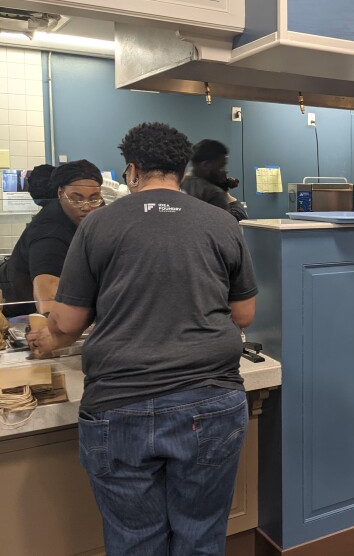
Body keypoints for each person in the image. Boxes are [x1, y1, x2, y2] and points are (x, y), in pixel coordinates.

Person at [30, 122, 258, 555]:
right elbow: (243, 313)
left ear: (132, 171)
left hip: (121, 406)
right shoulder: (222, 222)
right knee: (202, 534)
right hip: (210, 403)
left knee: (136, 540)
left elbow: (71, 322)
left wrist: (52, 319)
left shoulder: (98, 225)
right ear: (180, 169)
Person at [0, 160, 103, 317]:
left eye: (94, 198)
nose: (87, 206)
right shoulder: (49, 229)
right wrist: (54, 328)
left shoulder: (99, 212)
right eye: (76, 198)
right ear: (60, 193)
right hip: (20, 306)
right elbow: (47, 287)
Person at [181, 138, 248, 220]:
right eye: (221, 165)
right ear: (205, 165)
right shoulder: (214, 194)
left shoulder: (179, 186)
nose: (225, 170)